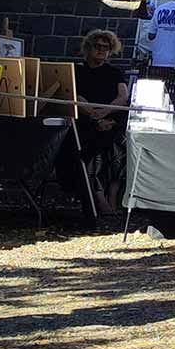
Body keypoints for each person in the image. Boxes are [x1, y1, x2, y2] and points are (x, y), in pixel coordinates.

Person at [64, 29, 129, 214]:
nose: (101, 50)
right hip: (85, 120)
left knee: (120, 147)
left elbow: (123, 96)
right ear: (88, 48)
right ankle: (98, 197)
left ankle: (113, 196)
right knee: (93, 148)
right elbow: (74, 95)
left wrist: (106, 112)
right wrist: (94, 115)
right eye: (97, 46)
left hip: (112, 118)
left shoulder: (114, 72)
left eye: (106, 47)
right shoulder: (77, 70)